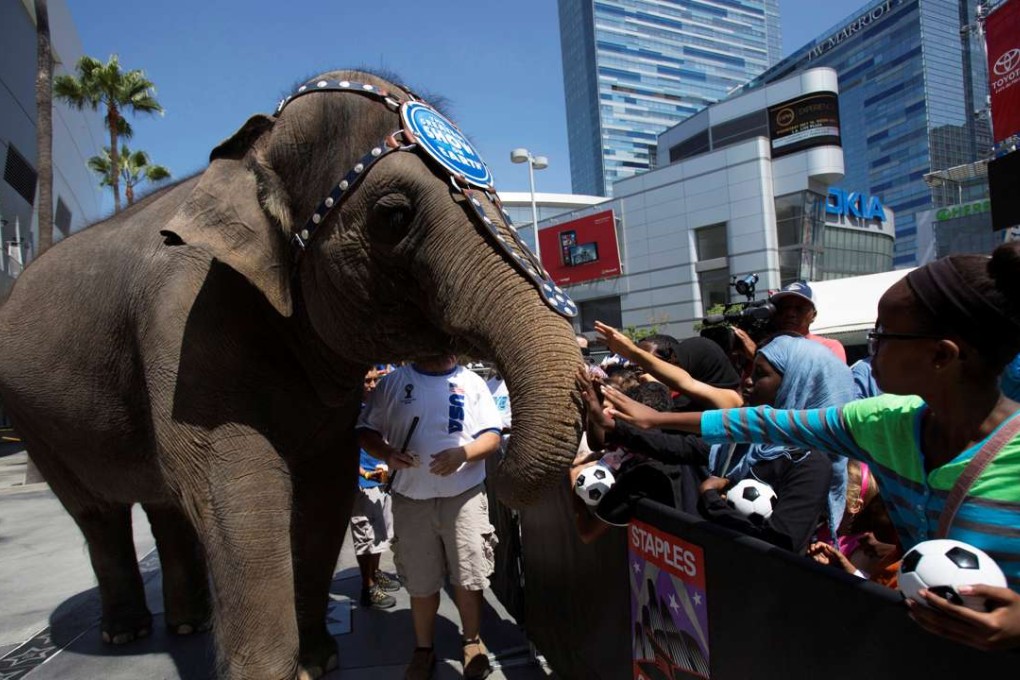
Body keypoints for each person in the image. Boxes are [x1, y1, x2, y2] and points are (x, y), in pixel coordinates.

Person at [602, 242, 1020, 652]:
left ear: (942, 356)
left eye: (883, 336)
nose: (870, 351)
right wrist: (652, 419)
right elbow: (766, 422)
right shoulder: (886, 424)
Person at [358, 355, 503, 680]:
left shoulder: (472, 382)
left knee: (469, 574)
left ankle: (472, 642)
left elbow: (492, 436)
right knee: (421, 582)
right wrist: (386, 453)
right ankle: (423, 649)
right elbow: (366, 430)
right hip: (411, 500)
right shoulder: (393, 383)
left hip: (463, 497)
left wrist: (463, 454)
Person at [351, 366, 401, 609]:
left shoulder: (378, 409)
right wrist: (365, 473)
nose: (371, 385)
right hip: (363, 484)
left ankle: (376, 573)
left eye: (374, 380)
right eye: (366, 380)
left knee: (381, 535)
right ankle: (367, 587)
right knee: (366, 538)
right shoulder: (350, 414)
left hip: (382, 481)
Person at [768, 280, 847, 362]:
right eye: (784, 307)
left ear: (813, 315)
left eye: (799, 308)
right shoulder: (768, 344)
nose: (790, 313)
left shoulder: (828, 347)